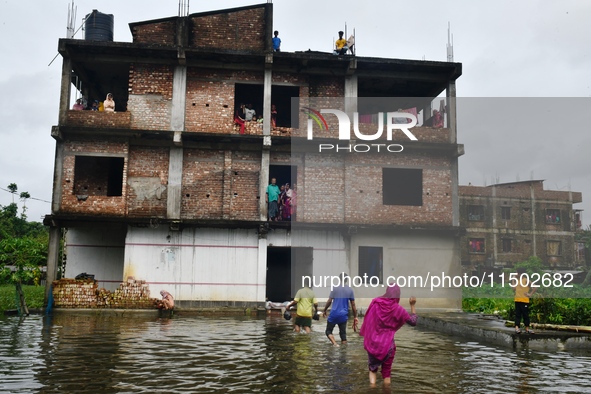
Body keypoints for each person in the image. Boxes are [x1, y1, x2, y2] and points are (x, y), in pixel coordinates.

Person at [359, 284, 417, 387]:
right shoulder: (398, 309)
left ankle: (372, 389)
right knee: (386, 374)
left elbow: (368, 320)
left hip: (373, 344)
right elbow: (413, 322)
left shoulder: (376, 303)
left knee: (372, 369)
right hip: (388, 346)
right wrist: (412, 305)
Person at [323, 273, 358, 346]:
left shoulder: (335, 288)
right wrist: (355, 317)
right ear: (346, 280)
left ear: (339, 279)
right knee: (343, 334)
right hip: (343, 315)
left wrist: (324, 310)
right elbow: (353, 304)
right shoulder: (350, 290)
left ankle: (335, 343)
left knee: (328, 331)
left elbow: (329, 301)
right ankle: (344, 351)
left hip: (334, 314)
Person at [512, 267, 536, 334]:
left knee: (525, 315)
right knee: (517, 314)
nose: (516, 274)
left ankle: (527, 328)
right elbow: (513, 288)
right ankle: (517, 328)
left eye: (517, 272)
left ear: (520, 273)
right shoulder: (517, 280)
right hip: (517, 300)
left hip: (524, 300)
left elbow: (534, 287)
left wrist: (530, 294)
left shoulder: (526, 280)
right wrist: (513, 279)